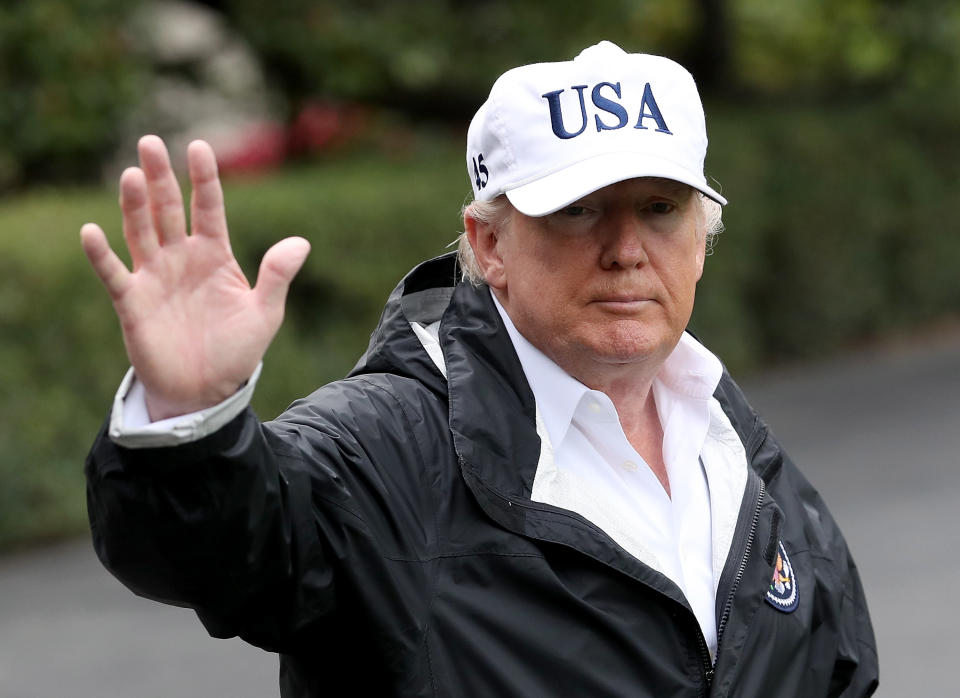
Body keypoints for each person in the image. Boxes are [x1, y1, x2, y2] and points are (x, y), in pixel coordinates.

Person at [81, 41, 879, 696]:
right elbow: (232, 552)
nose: (628, 250)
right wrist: (191, 422)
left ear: (702, 240)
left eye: (661, 209)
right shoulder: (387, 443)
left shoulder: (734, 445)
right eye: (579, 209)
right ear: (489, 244)